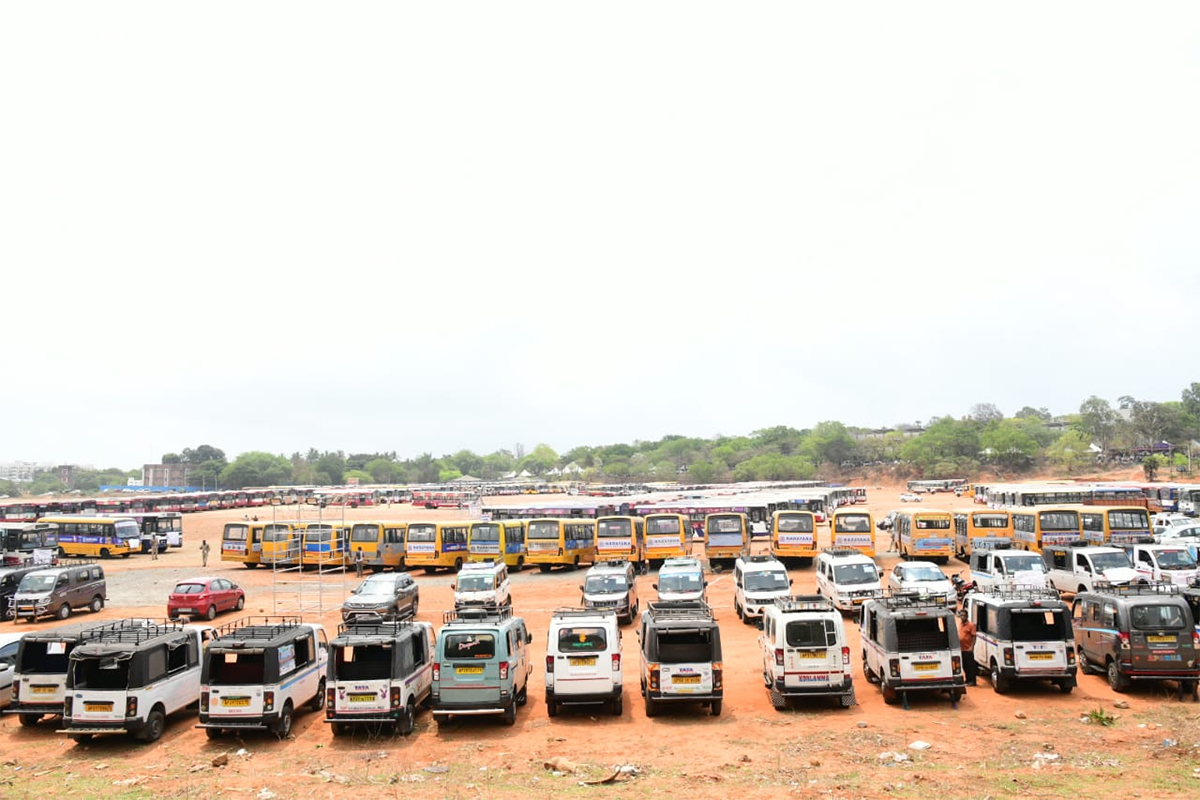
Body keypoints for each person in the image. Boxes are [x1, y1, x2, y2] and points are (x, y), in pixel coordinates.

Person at [958, 609, 977, 686]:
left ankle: (972, 681)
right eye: (961, 615)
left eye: (964, 615)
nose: (962, 617)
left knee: (970, 666)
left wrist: (971, 647)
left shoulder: (971, 625)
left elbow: (974, 637)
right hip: (961, 649)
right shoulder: (960, 624)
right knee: (964, 666)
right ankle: (967, 679)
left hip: (968, 649)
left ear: (967, 616)